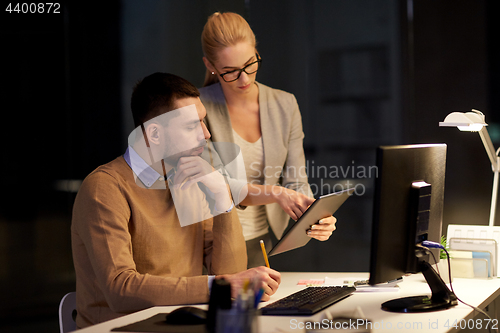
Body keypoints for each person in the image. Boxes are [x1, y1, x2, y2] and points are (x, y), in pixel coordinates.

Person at [71, 72, 281, 329]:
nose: (205, 134)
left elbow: (229, 274)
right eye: (192, 125)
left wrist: (223, 200)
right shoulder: (104, 187)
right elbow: (120, 289)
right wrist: (221, 285)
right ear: (155, 134)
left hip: (181, 325)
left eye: (203, 122)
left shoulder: (188, 178)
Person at [199, 12, 337, 268]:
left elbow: (296, 180)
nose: (245, 79)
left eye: (250, 64)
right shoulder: (198, 108)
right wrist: (276, 193)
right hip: (211, 243)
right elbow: (217, 187)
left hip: (262, 241)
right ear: (211, 66)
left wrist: (313, 214)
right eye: (230, 71)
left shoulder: (284, 104)